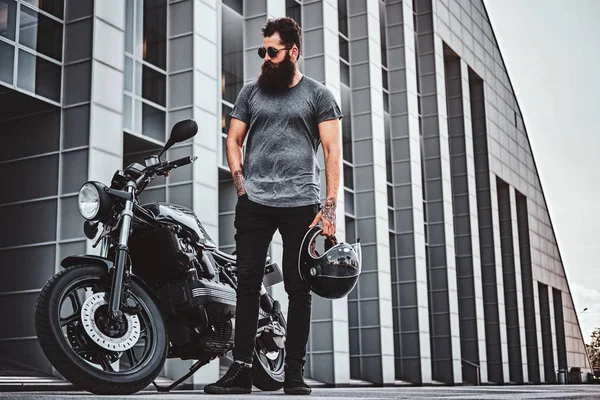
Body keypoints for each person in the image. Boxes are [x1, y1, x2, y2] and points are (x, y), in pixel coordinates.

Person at [204, 17, 342, 396]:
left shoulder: (318, 95)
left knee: (299, 289)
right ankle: (241, 373)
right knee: (246, 285)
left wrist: (329, 208)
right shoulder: (250, 92)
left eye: (273, 51)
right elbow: (233, 139)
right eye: (262, 51)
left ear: (293, 52)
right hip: (255, 204)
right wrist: (240, 184)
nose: (266, 57)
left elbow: (332, 151)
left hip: (302, 204)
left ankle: (293, 374)